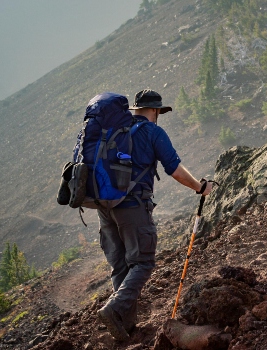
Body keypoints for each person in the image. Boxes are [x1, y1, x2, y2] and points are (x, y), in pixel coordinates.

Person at [96, 89, 213, 341]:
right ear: (156, 111)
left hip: (104, 207)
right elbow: (175, 169)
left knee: (121, 266)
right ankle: (114, 309)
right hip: (133, 206)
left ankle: (125, 328)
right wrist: (200, 187)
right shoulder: (152, 132)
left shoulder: (114, 131)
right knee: (143, 263)